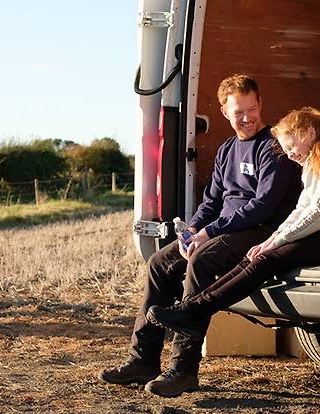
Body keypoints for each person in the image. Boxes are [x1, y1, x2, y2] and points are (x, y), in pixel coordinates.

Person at [98, 74, 302, 397]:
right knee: (158, 263)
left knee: (202, 262)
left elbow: (263, 206)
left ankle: (183, 369)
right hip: (224, 229)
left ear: (261, 104)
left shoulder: (273, 148)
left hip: (261, 230)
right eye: (239, 112)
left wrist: (209, 232)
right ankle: (142, 360)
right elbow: (211, 202)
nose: (247, 118)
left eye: (252, 109)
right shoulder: (226, 151)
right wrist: (192, 229)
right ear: (225, 112)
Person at [146, 107, 320, 347]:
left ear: (309, 133)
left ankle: (193, 311)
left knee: (267, 260)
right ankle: (192, 309)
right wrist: (272, 239)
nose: (289, 155)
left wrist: (276, 241)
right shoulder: (314, 163)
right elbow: (301, 209)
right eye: (285, 149)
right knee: (255, 256)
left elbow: (318, 213)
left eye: (290, 147)